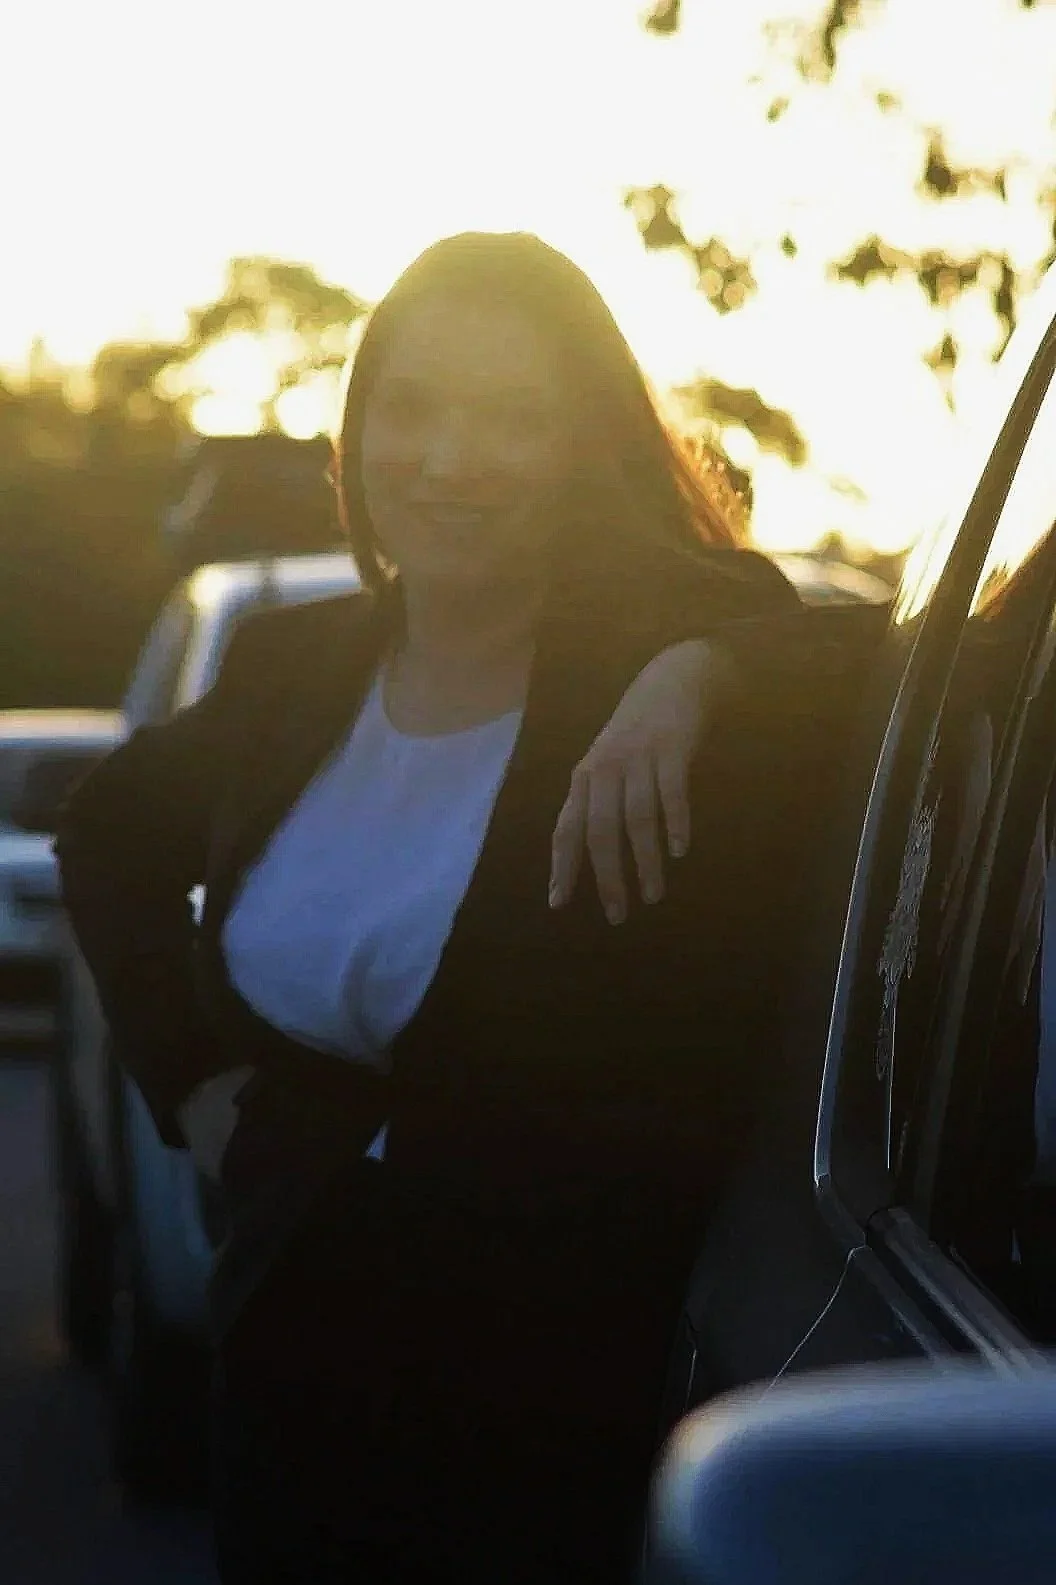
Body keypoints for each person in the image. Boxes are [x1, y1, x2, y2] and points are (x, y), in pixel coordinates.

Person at [56, 232, 880, 1584]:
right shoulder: (293, 667)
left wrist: (694, 678)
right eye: (416, 408)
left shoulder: (646, 673)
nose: (453, 458)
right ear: (361, 428)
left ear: (583, 449)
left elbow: (867, 654)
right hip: (287, 1386)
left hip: (553, 1427)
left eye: (515, 417)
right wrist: (196, 1090)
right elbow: (105, 835)